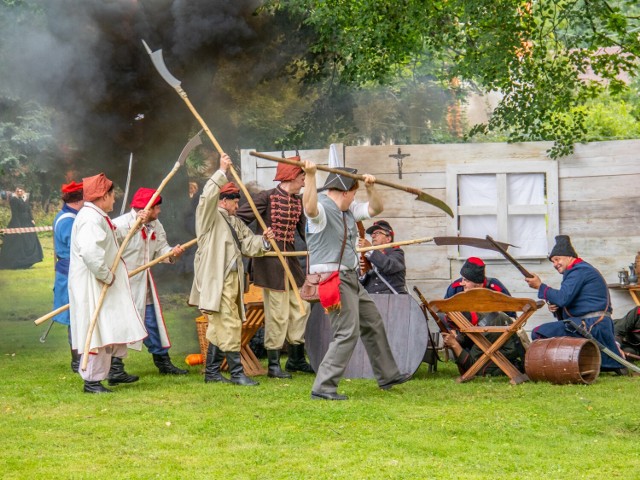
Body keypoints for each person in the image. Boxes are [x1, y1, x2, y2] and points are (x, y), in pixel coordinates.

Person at [303, 161, 412, 400]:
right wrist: (310, 176)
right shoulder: (321, 209)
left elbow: (376, 209)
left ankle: (387, 375)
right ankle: (323, 387)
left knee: (372, 321)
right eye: (354, 193)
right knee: (347, 332)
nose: (355, 198)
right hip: (333, 279)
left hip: (350, 278)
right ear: (344, 192)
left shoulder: (348, 210)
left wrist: (371, 187)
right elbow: (309, 209)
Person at [188, 153, 274, 386]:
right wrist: (221, 171)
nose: (238, 206)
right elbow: (206, 197)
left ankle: (212, 373)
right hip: (218, 280)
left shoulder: (234, 221)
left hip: (233, 281)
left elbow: (248, 244)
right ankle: (237, 373)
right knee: (229, 323)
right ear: (224, 201)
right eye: (235, 202)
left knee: (220, 324)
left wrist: (264, 240)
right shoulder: (209, 218)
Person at [236, 155, 314, 379]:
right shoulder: (266, 198)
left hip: (289, 257)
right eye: (302, 177)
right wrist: (258, 240)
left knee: (301, 306)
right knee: (278, 312)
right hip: (269, 260)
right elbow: (238, 221)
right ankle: (273, 365)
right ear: (292, 176)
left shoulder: (297, 201)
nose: (304, 182)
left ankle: (296, 358)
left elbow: (305, 233)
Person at [68, 173, 147, 393]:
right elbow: (90, 252)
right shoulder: (90, 218)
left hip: (97, 283)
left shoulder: (97, 216)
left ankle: (99, 377)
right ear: (103, 196)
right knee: (96, 331)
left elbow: (113, 236)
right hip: (92, 285)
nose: (114, 200)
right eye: (113, 196)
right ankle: (92, 381)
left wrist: (137, 220)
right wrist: (106, 275)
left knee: (104, 329)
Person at [112, 187, 188, 380]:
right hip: (121, 284)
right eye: (156, 208)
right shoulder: (119, 224)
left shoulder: (156, 225)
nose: (159, 211)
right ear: (146, 208)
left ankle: (163, 362)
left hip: (144, 284)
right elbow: (108, 248)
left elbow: (161, 249)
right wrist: (136, 226)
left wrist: (171, 253)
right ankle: (115, 369)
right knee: (119, 325)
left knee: (153, 323)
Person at [524, 235, 625, 373]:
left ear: (569, 256)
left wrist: (540, 286)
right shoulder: (578, 270)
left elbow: (563, 298)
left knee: (538, 332)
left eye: (557, 259)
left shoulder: (579, 270)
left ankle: (559, 367)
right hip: (588, 323)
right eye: (553, 261)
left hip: (591, 324)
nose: (555, 264)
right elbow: (568, 301)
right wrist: (557, 308)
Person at [52, 180, 84, 373]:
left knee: (78, 315)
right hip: (69, 272)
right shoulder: (68, 220)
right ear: (79, 199)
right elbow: (77, 247)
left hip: (72, 269)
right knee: (75, 316)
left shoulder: (70, 216)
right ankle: (77, 361)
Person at [358, 219, 407, 294]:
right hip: (372, 301)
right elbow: (358, 286)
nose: (373, 236)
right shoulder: (369, 256)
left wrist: (370, 250)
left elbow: (389, 266)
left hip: (393, 301)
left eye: (377, 233)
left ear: (388, 238)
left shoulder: (397, 252)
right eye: (372, 234)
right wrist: (363, 273)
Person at [0, 187, 44, 269]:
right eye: (18, 191)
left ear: (23, 191)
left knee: (30, 241)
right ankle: (17, 263)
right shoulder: (14, 200)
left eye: (21, 191)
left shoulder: (25, 198)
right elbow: (15, 214)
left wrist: (32, 219)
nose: (20, 192)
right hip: (18, 222)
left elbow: (28, 210)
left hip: (28, 223)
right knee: (18, 243)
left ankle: (28, 262)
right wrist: (18, 227)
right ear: (15, 191)